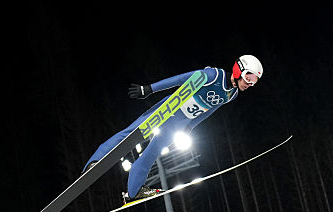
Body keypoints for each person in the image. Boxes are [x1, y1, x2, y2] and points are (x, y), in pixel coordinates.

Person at [83, 55, 264, 203]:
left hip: (179, 123)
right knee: (131, 134)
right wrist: (149, 89)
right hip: (169, 110)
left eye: (255, 81)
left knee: (151, 153)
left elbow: (208, 111)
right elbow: (180, 79)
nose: (250, 83)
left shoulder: (231, 94)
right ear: (238, 69)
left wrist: (190, 127)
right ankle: (96, 161)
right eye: (249, 77)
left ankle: (133, 191)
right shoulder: (212, 76)